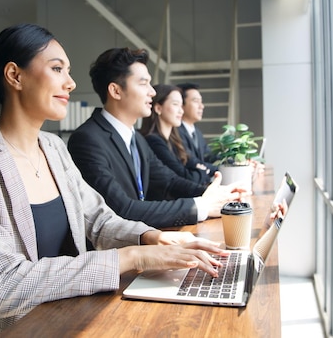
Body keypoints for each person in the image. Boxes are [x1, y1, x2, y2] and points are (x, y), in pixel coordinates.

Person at [0, 24, 228, 337]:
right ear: (15, 76)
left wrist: (152, 238)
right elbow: (1, 285)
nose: (71, 83)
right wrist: (132, 256)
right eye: (57, 68)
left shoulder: (53, 147)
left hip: (64, 319)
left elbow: (100, 221)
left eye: (69, 71)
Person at [67, 47, 249, 229]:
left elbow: (169, 181)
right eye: (143, 83)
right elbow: (121, 209)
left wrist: (217, 194)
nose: (152, 92)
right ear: (115, 91)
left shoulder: (136, 138)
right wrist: (201, 206)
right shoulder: (87, 140)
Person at [139, 84, 212, 185]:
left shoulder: (175, 141)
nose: (181, 111)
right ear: (158, 108)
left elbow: (192, 163)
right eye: (175, 104)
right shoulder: (154, 141)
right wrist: (202, 172)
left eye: (181, 105)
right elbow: (185, 177)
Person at [176, 82, 218, 175]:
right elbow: (191, 161)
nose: (201, 106)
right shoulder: (175, 132)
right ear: (181, 105)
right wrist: (220, 169)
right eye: (196, 101)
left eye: (201, 101)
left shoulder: (197, 132)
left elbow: (208, 156)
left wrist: (232, 160)